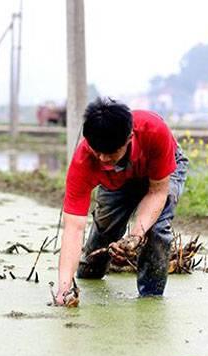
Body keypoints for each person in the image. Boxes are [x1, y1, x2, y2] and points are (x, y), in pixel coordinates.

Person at [55, 97, 188, 305]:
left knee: (157, 230)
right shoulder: (85, 160)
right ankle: (88, 274)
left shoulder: (155, 131)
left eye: (110, 153)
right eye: (97, 151)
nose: (103, 159)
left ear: (129, 138)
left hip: (160, 171)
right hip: (115, 180)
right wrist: (63, 289)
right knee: (105, 229)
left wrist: (135, 235)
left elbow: (157, 193)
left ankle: (150, 298)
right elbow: (73, 228)